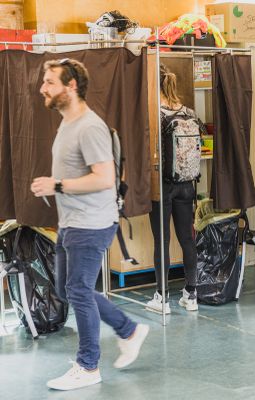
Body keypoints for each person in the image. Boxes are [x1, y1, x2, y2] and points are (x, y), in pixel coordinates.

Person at [31, 58, 149, 390]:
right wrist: (55, 184)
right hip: (72, 221)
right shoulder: (67, 124)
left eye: (50, 82)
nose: (43, 87)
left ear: (71, 87)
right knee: (65, 287)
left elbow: (105, 178)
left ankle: (88, 366)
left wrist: (56, 186)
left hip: (92, 223)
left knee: (78, 290)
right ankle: (128, 329)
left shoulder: (90, 127)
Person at [145, 65, 200, 314]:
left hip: (163, 185)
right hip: (187, 183)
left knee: (163, 241)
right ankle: (191, 295)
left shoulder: (155, 114)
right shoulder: (188, 111)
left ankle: (162, 298)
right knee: (187, 239)